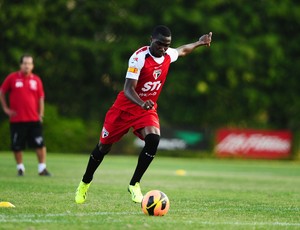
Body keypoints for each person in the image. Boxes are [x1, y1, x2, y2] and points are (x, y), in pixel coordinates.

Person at [75, 25, 212, 204]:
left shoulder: (167, 55)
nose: (163, 48)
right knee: (103, 147)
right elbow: (128, 89)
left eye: (167, 45)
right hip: (124, 109)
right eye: (160, 44)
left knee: (154, 139)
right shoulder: (139, 58)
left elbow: (182, 50)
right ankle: (85, 182)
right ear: (151, 40)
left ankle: (134, 184)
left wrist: (199, 43)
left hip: (146, 110)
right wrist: (141, 102)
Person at [0, 54, 51, 176]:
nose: (27, 65)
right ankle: (20, 168)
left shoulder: (36, 80)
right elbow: (2, 92)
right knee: (17, 145)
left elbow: (41, 98)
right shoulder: (12, 78)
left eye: (29, 63)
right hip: (17, 119)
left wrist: (41, 114)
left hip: (33, 119)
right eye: (25, 63)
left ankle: (42, 169)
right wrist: (6, 109)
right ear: (20, 65)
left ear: (32, 66)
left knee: (40, 144)